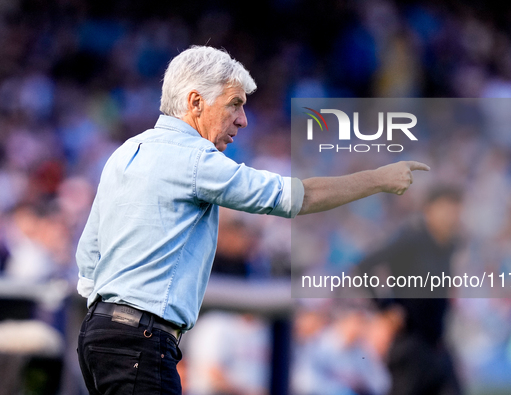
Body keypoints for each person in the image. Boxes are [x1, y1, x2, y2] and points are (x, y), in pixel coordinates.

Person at [75, 45, 429, 395]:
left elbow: (88, 257)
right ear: (196, 102)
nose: (243, 120)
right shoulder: (194, 158)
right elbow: (296, 198)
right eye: (234, 104)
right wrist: (378, 179)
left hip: (98, 335)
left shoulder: (125, 152)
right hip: (141, 340)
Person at [356, 185, 464, 395]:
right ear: (429, 210)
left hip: (437, 343)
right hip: (411, 344)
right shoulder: (412, 240)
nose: (452, 217)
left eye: (456, 210)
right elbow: (365, 266)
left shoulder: (447, 246)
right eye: (446, 210)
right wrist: (385, 306)